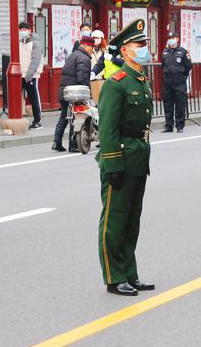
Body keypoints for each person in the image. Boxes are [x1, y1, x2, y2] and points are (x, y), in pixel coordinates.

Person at [96, 19, 156, 296]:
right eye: (139, 45)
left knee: (132, 220)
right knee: (114, 221)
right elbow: (107, 129)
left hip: (138, 157)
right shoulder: (116, 83)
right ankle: (113, 276)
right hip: (120, 156)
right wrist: (112, 163)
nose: (145, 49)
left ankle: (129, 273)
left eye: (145, 44)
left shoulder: (141, 80)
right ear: (125, 50)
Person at [53, 33, 94, 152]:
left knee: (64, 117)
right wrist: (87, 93)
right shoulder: (84, 58)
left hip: (65, 92)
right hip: (75, 93)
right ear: (86, 46)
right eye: (92, 47)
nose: (92, 50)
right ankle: (74, 144)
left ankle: (57, 142)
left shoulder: (73, 55)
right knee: (76, 117)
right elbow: (82, 78)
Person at [160, 31, 192, 134]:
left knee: (180, 104)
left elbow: (188, 66)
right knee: (168, 104)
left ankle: (179, 125)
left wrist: (182, 74)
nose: (170, 39)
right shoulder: (165, 52)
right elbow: (163, 66)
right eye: (169, 38)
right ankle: (169, 126)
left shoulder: (183, 52)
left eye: (173, 37)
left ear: (177, 39)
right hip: (167, 81)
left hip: (179, 80)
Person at [18, 22, 43, 129]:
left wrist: (29, 74)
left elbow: (35, 60)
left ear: (29, 30)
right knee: (18, 98)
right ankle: (18, 118)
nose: (22, 31)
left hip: (31, 75)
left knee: (34, 98)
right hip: (20, 75)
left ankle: (37, 120)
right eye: (21, 29)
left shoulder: (35, 43)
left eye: (25, 29)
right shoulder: (19, 42)